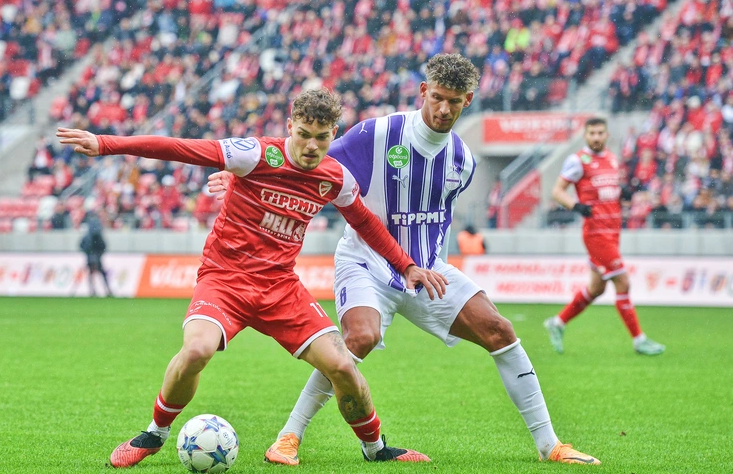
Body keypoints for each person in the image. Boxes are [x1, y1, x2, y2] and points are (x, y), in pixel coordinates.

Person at [209, 54, 600, 466]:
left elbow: (440, 219)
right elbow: (305, 154)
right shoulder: (376, 134)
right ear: (423, 92)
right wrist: (245, 172)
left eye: (454, 101)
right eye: (437, 97)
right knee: (359, 338)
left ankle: (550, 446)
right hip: (366, 262)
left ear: (467, 100)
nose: (444, 108)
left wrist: (434, 267)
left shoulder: (463, 160)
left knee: (500, 330)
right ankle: (288, 437)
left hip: (424, 272)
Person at [57, 89, 448, 468]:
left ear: (334, 134)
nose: (311, 146)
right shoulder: (256, 154)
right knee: (196, 351)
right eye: (304, 135)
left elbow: (365, 222)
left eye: (322, 137)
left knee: (343, 367)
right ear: (290, 126)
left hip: (280, 288)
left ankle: (375, 448)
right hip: (224, 280)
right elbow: (181, 148)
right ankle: (154, 434)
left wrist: (406, 265)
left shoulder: (336, 178)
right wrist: (106, 143)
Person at [544, 117, 665, 355]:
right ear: (585, 136)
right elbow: (557, 191)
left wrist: (623, 192)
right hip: (596, 234)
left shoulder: (611, 158)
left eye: (600, 133)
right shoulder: (578, 160)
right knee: (623, 282)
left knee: (596, 288)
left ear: (607, 135)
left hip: (613, 231)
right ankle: (639, 339)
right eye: (592, 133)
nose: (596, 137)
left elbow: (609, 190)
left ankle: (557, 323)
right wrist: (576, 206)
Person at [79, 219, 113, 297]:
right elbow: (103, 246)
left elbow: (82, 246)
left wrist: (88, 253)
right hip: (97, 258)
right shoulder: (98, 237)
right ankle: (107, 290)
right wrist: (98, 254)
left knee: (92, 274)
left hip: (91, 258)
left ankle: (93, 290)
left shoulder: (87, 237)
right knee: (101, 274)